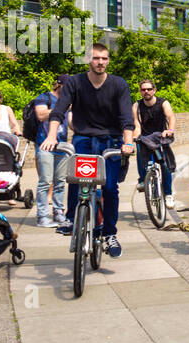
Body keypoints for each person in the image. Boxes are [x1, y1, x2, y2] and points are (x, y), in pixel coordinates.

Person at [42, 42, 134, 257]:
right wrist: (51, 136)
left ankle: (110, 234)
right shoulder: (75, 82)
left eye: (104, 58)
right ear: (88, 60)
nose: (100, 62)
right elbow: (58, 111)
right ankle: (72, 218)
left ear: (108, 60)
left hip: (110, 141)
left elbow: (126, 119)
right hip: (84, 139)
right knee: (76, 179)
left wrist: (127, 142)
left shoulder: (118, 84)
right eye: (95, 58)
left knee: (110, 189)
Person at [30, 75, 71, 229]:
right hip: (44, 145)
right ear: (58, 85)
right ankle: (42, 216)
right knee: (45, 182)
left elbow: (72, 123)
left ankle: (58, 212)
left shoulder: (69, 102)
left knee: (60, 182)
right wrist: (62, 108)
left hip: (61, 146)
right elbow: (40, 115)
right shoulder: (44, 98)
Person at [133, 79, 176, 210]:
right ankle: (142, 180)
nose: (146, 92)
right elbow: (136, 124)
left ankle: (168, 194)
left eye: (149, 89)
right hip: (146, 137)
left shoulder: (163, 103)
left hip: (160, 137)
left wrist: (170, 130)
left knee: (164, 164)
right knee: (140, 151)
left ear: (154, 90)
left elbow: (171, 117)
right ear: (140, 91)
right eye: (143, 89)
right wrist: (135, 136)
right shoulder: (137, 105)